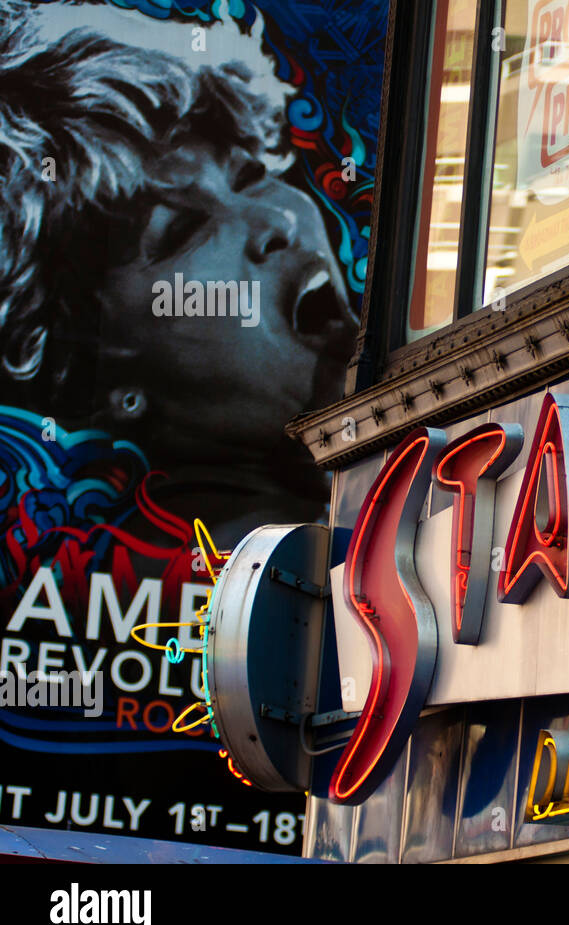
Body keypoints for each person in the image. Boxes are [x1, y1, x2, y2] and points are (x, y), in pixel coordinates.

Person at [0, 0, 356, 550]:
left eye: (252, 175)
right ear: (114, 386)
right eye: (181, 231)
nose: (277, 220)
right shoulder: (154, 594)